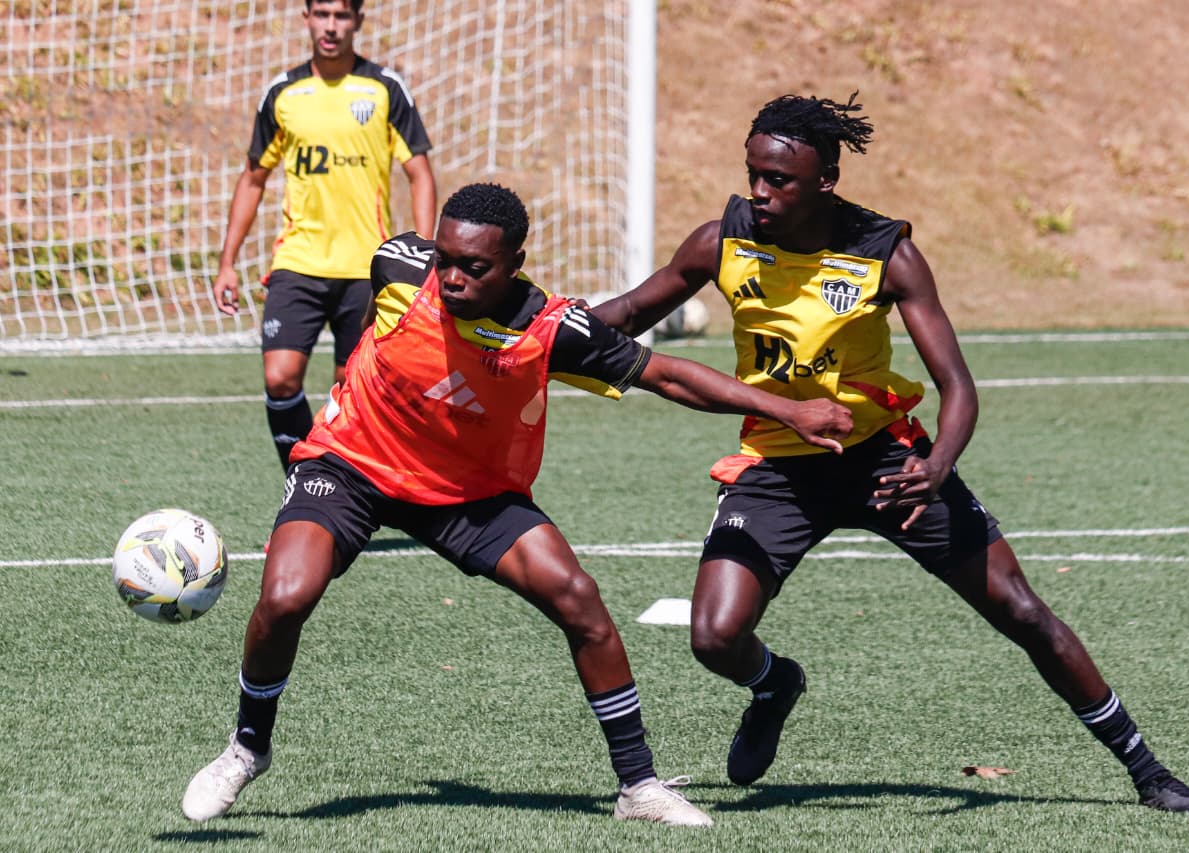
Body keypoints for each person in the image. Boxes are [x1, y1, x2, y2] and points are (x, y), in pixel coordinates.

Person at [589, 93, 1189, 814]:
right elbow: (627, 314)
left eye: (779, 179)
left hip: (887, 463)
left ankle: (1147, 770)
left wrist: (936, 466)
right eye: (753, 173)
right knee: (714, 635)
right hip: (777, 465)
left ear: (826, 180)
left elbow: (958, 386)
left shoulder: (886, 253)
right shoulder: (720, 241)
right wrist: (533, 335)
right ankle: (775, 684)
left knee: (1020, 609)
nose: (759, 191)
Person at [181, 182, 854, 827]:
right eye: (446, 259)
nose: (452, 279)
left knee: (578, 599)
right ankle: (247, 748)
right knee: (286, 596)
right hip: (353, 464)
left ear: (514, 264)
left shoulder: (553, 328)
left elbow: (669, 375)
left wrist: (786, 410)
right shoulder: (398, 265)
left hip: (470, 492)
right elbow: (368, 330)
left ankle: (639, 787)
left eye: (474, 267)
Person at [212, 0, 438, 472]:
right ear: (307, 18)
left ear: (357, 21)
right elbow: (253, 178)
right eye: (321, 14)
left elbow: (420, 173)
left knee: (351, 393)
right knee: (280, 377)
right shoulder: (284, 93)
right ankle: (301, 481)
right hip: (298, 262)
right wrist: (227, 262)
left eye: (340, 16)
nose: (330, 26)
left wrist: (421, 255)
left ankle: (338, 491)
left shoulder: (385, 88)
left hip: (367, 270)